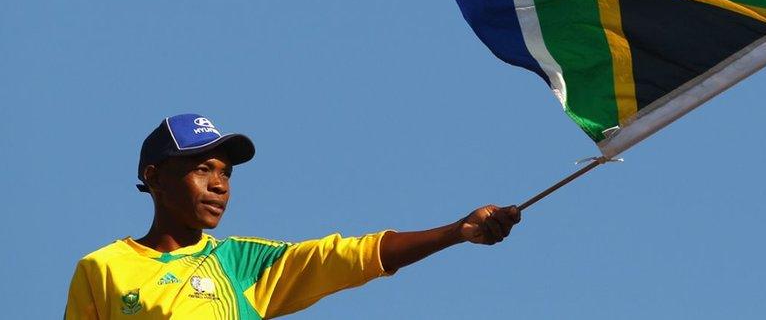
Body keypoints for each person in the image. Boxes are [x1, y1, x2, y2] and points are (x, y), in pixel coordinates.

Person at [64, 113, 521, 319]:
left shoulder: (242, 265)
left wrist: (455, 232)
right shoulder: (102, 270)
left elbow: (344, 257)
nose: (220, 185)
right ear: (155, 178)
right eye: (203, 169)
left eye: (226, 173)